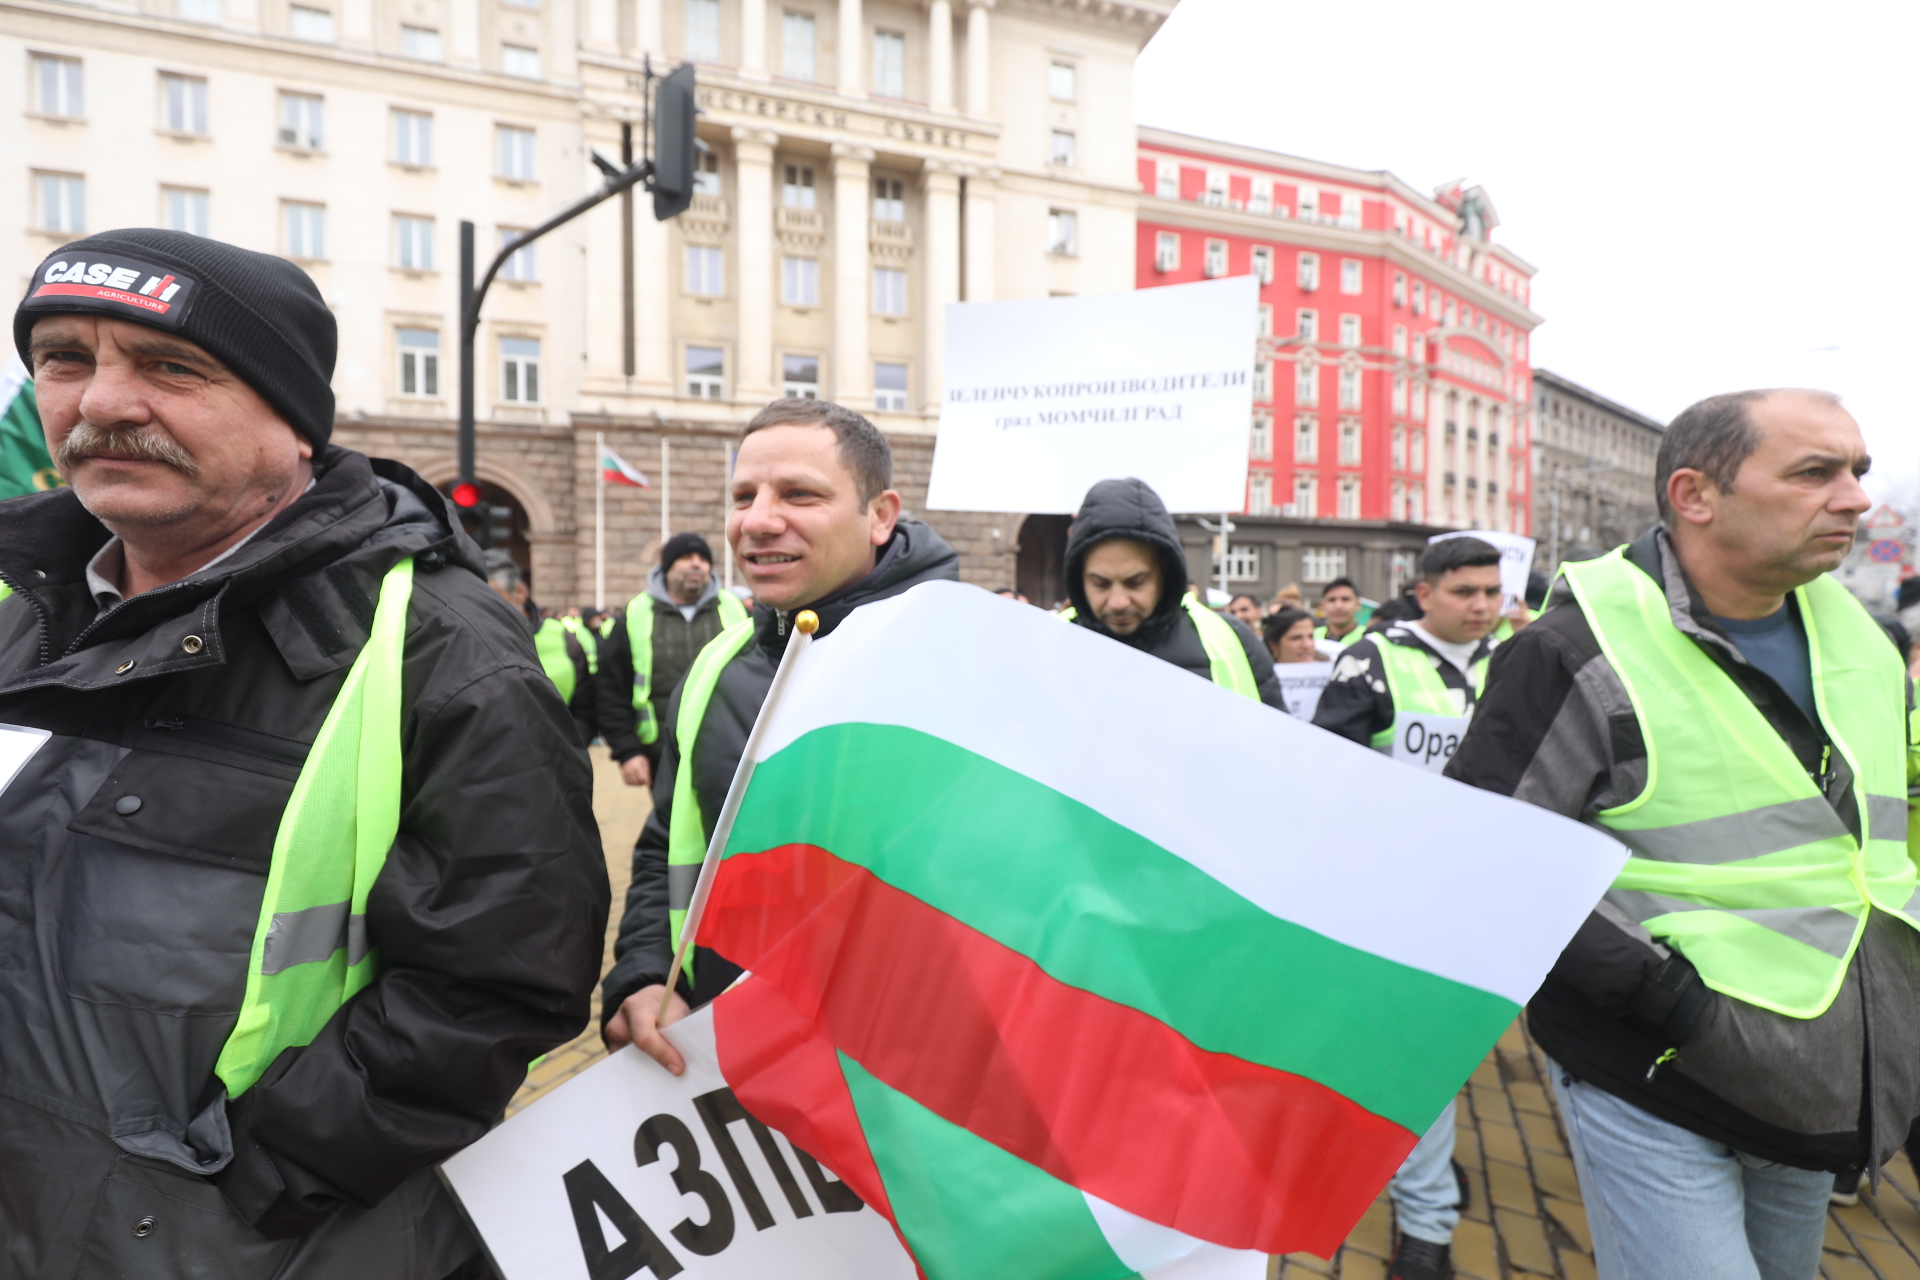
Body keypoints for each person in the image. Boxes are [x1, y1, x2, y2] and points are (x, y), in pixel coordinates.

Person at [0, 229, 606, 1276]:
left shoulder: (438, 646)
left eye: (169, 366)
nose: (100, 402)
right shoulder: (21, 614)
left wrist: (252, 1181)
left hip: (254, 1241)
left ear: (291, 415)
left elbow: (500, 981)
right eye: (64, 357)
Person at [1448, 389, 1920, 1280]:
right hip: (1659, 1069)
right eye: (1815, 472)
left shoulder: (1859, 636)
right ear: (1696, 495)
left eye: (1856, 469)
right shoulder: (1571, 651)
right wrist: (1671, 1003)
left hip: (1810, 1070)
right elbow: (1492, 861)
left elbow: (1879, 830)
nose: (1857, 497)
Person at [601, 399, 959, 1072]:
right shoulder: (717, 669)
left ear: (880, 515)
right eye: (743, 496)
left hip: (912, 1087)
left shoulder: (971, 665)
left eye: (799, 494)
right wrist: (646, 975)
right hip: (727, 1065)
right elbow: (670, 850)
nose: (757, 521)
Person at [1312, 536, 1503, 1280]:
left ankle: (1415, 1171)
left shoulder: (1515, 659)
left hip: (1493, 896)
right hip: (1399, 898)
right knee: (1419, 1059)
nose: (1482, 607)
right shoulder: (1371, 659)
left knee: (1448, 1059)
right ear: (1424, 593)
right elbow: (1332, 769)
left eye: (1491, 592)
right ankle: (1426, 1226)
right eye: (1465, 593)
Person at [1061, 478, 1287, 711]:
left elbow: (1278, 742)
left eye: (1136, 582)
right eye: (1100, 584)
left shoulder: (1229, 639)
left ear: (1165, 571)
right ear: (1079, 578)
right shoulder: (1047, 641)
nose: (1118, 602)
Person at [594, 531, 747, 789]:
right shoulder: (635, 615)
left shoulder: (736, 610)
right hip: (661, 755)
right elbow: (610, 690)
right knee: (671, 829)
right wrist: (628, 751)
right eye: (686, 557)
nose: (696, 563)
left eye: (703, 558)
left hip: (730, 750)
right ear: (666, 567)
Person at [486, 551, 597, 745]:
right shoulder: (465, 642)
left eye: (492, 598)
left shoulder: (564, 639)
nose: (482, 608)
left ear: (519, 593)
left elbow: (586, 710)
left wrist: (567, 752)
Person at [1314, 576, 1366, 649]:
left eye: (1345, 599)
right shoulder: (1311, 637)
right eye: (1332, 600)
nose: (1338, 606)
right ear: (1323, 605)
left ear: (1358, 604)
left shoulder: (1368, 637)